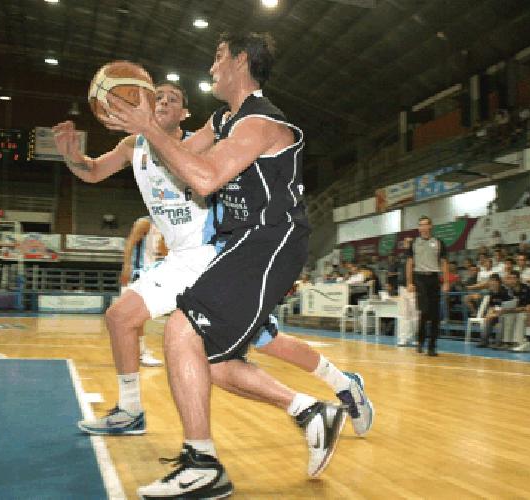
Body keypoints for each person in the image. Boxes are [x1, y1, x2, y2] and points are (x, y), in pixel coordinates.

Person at [101, 32, 363, 496]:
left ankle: (202, 463)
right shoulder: (225, 118)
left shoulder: (260, 122)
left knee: (184, 331)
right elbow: (184, 155)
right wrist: (139, 129)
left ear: (241, 61)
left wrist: (148, 127)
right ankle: (309, 411)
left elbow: (203, 177)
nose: (211, 68)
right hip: (239, 244)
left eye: (218, 57)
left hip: (270, 242)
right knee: (208, 360)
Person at [121, 217, 168, 367]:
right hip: (138, 273)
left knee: (138, 317)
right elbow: (130, 243)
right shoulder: (145, 222)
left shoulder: (165, 225)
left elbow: (162, 251)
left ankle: (136, 353)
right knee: (136, 316)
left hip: (153, 274)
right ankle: (140, 354)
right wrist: (126, 266)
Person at [407, 215, 450, 356]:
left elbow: (444, 263)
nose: (423, 227)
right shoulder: (414, 243)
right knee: (424, 311)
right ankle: (420, 341)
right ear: (419, 228)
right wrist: (409, 282)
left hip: (434, 278)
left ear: (430, 226)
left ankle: (432, 346)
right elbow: (409, 263)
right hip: (420, 278)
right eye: (421, 225)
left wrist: (446, 281)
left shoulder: (438, 242)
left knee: (435, 314)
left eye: (426, 224)